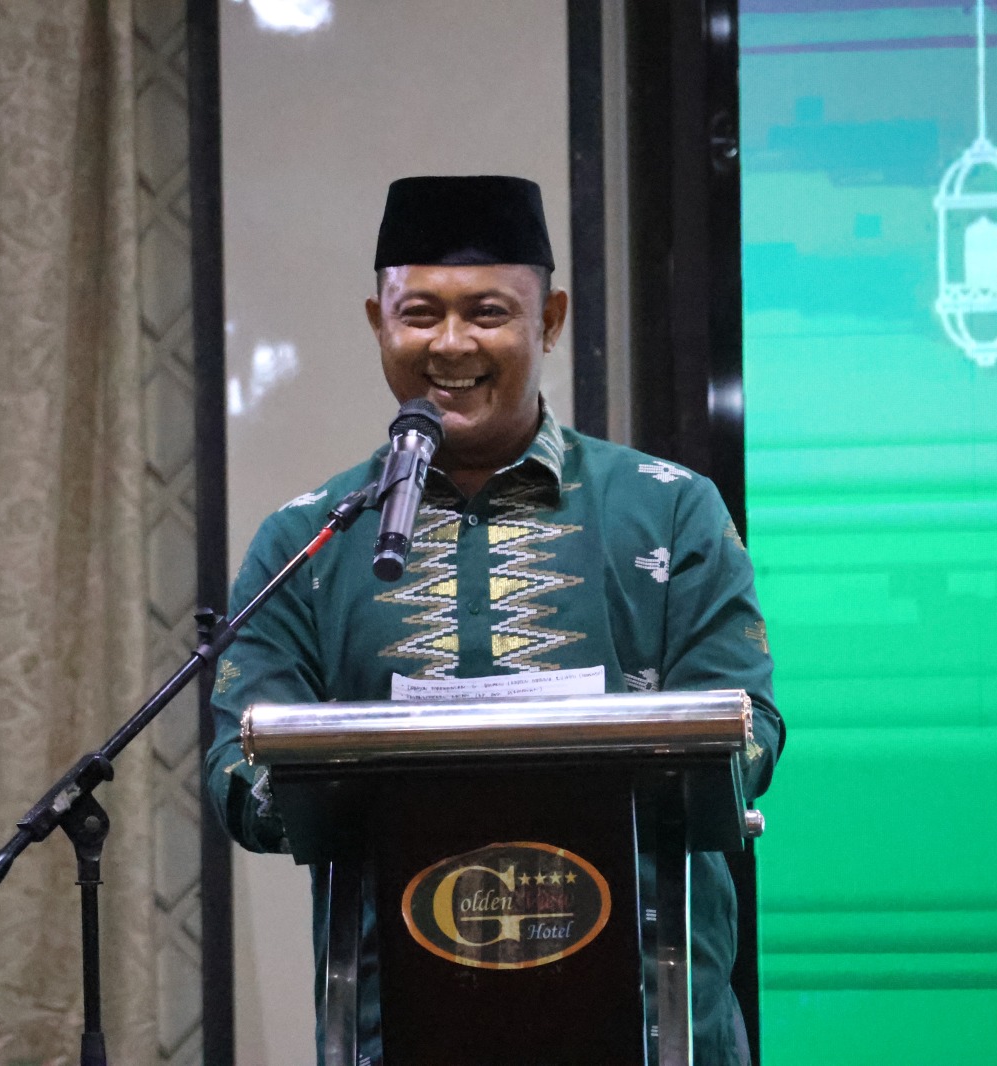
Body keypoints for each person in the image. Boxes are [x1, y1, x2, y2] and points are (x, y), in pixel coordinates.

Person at [205, 175, 784, 1065]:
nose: (451, 344)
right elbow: (236, 763)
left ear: (549, 320)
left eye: (487, 313)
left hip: (653, 1030)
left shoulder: (672, 512)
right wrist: (304, 790)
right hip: (394, 1032)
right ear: (377, 322)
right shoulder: (309, 538)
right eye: (419, 314)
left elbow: (749, 729)